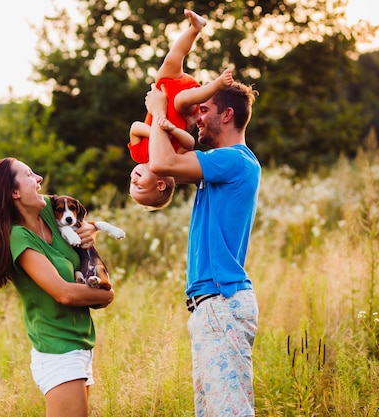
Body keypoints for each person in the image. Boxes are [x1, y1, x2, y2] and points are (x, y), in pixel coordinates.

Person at [0, 157, 115, 417]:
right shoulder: (18, 236)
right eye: (29, 175)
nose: (39, 178)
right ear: (14, 192)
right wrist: (106, 294)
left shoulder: (50, 212)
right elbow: (63, 293)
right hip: (57, 349)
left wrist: (91, 230)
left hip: (81, 343)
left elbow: (79, 221)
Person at [145, 79, 261, 416]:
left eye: (204, 109)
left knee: (229, 411)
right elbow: (167, 163)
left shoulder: (233, 161)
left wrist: (156, 111)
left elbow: (163, 163)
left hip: (221, 302)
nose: (197, 116)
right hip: (210, 306)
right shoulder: (221, 165)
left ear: (226, 115)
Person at [128, 9, 233, 209]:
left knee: (172, 59)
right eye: (139, 188)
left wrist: (155, 132)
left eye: (130, 185)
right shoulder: (173, 157)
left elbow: (134, 127)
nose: (133, 181)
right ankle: (216, 85)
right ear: (160, 185)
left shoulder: (139, 155)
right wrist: (171, 132)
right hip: (182, 106)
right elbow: (189, 141)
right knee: (182, 100)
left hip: (165, 89)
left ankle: (195, 28)